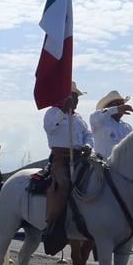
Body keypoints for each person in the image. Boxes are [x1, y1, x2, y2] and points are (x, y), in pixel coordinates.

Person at [43, 82, 94, 255]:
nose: (76, 100)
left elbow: (88, 135)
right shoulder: (52, 113)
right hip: (60, 158)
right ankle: (53, 222)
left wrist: (88, 145)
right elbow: (49, 128)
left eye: (77, 97)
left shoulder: (79, 118)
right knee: (64, 183)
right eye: (73, 96)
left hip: (81, 156)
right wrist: (62, 110)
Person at [89, 90, 133, 159]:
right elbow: (95, 115)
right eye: (116, 104)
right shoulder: (99, 122)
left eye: (122, 104)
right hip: (103, 166)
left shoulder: (127, 127)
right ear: (107, 107)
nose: (121, 106)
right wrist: (116, 109)